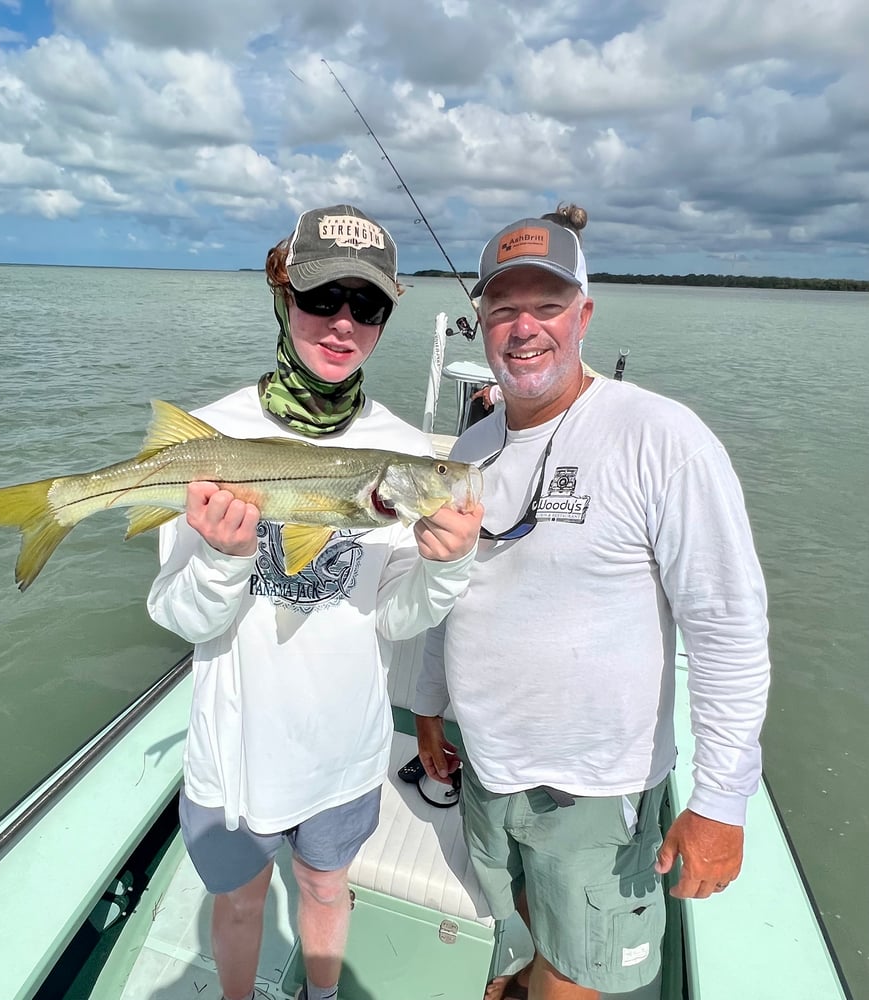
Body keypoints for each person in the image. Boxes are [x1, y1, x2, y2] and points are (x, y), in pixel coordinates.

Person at [414, 204, 770, 1000]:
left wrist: (719, 801)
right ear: (480, 323)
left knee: (576, 975)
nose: (523, 328)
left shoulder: (660, 436)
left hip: (592, 789)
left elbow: (727, 630)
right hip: (486, 769)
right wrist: (429, 706)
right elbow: (457, 588)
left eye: (546, 306)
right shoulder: (470, 445)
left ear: (584, 314)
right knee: (512, 937)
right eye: (502, 309)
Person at [147, 204, 483, 1000]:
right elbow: (182, 618)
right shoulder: (209, 437)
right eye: (319, 297)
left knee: (328, 888)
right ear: (280, 294)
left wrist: (445, 570)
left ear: (386, 314)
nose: (341, 324)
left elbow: (396, 620)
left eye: (364, 305)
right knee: (238, 904)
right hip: (233, 759)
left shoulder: (400, 452)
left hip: (343, 750)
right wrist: (227, 561)